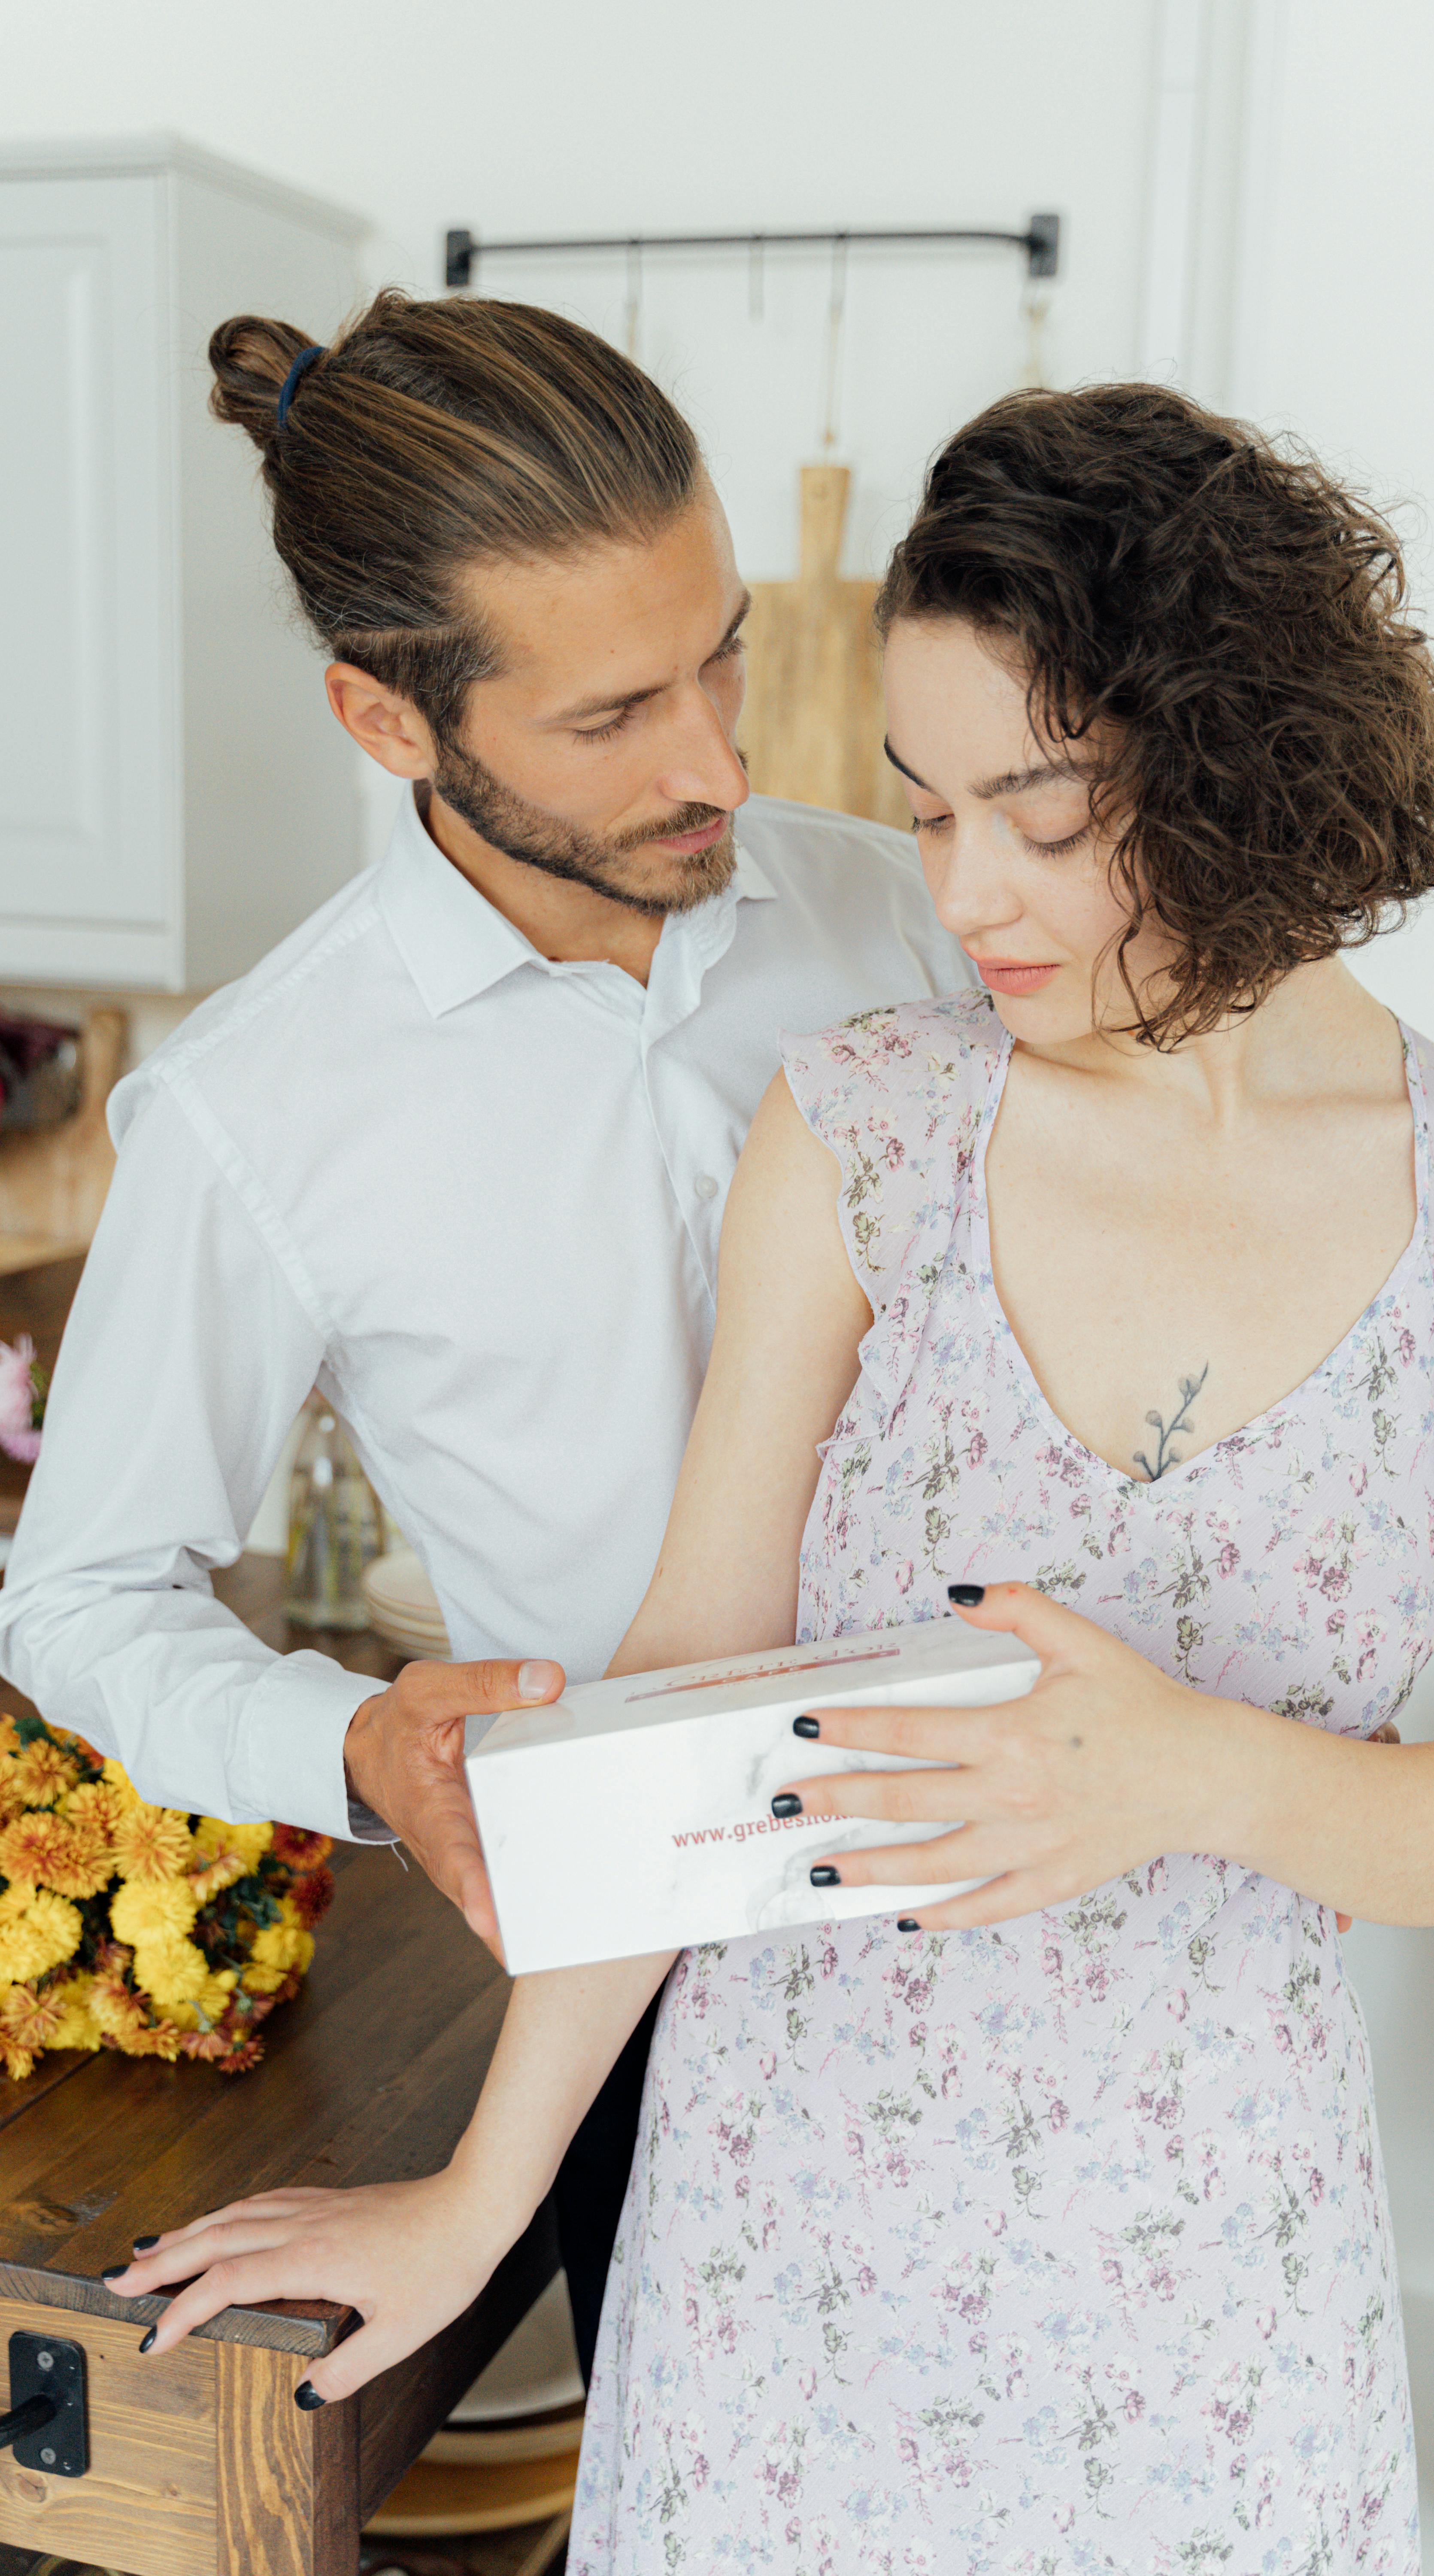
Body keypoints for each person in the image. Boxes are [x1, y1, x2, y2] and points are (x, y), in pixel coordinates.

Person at [109, 383, 1434, 2573]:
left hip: (1211, 2274)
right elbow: (682, 1673)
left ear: (1240, 757)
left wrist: (1188, 1774)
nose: (965, 899)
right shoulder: (864, 1122)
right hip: (784, 2243)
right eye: (924, 814)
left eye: (1038, 811)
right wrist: (485, 2196)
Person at [0, 291, 969, 2376]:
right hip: (651, 2004)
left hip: (1039, 1886)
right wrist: (349, 1742)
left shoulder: (910, 913)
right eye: (614, 714)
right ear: (385, 720)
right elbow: (77, 1595)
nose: (718, 757)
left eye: (723, 657)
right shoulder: (258, 1111)